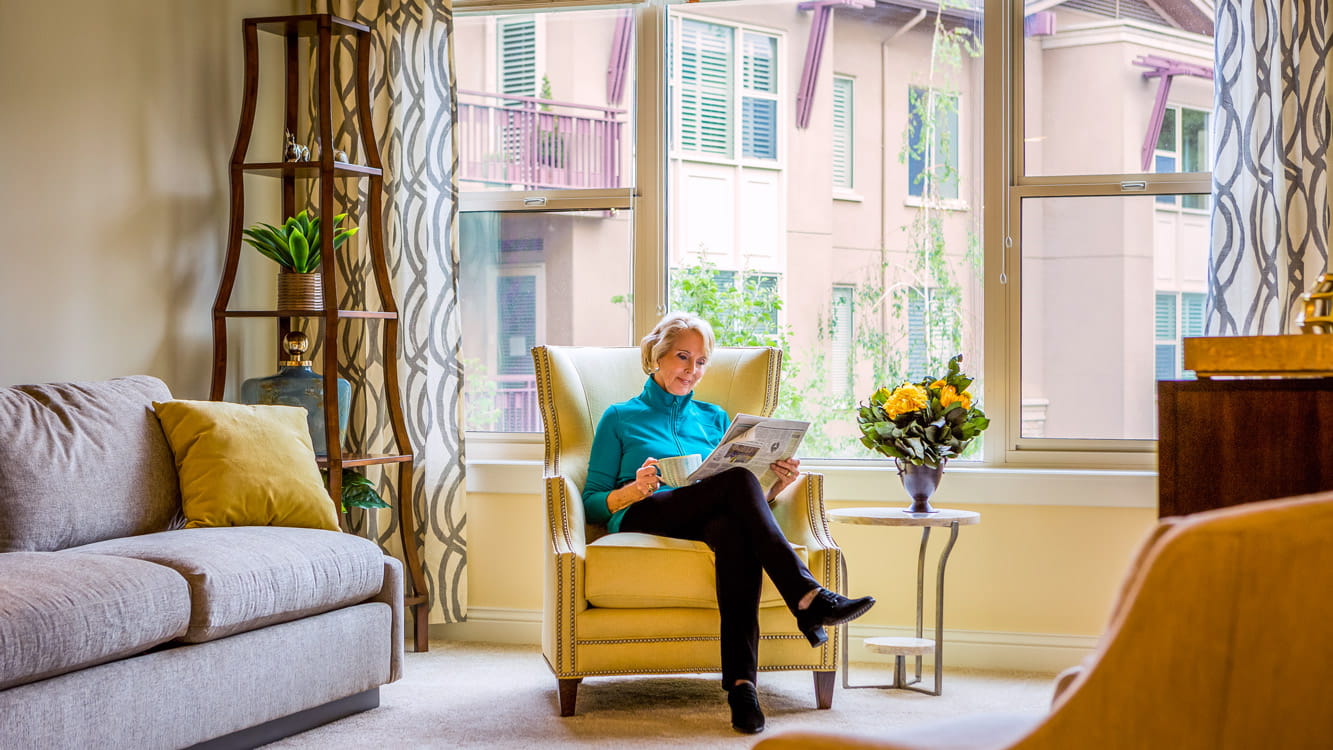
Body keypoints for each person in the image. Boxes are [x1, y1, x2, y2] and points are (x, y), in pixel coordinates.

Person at [582, 312, 876, 734]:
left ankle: (743, 687)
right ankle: (808, 597)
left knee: (735, 530)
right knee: (737, 479)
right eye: (683, 357)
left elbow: (740, 498)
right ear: (656, 358)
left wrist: (773, 485)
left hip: (705, 514)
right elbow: (592, 503)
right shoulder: (620, 417)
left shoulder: (715, 418)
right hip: (645, 514)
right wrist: (636, 488)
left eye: (701, 361)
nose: (692, 369)